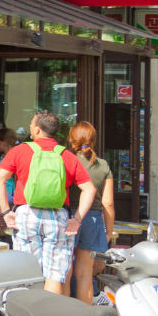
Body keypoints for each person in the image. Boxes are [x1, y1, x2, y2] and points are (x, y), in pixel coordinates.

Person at [0, 111, 95, 296]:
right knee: (54, 274)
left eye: (32, 124)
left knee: (27, 271)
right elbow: (89, 189)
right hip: (58, 216)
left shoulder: (19, 150)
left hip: (26, 214)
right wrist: (77, 220)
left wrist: (6, 211)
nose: (31, 127)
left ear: (37, 129)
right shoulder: (67, 155)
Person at [66, 120, 115, 305]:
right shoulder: (102, 165)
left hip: (67, 216)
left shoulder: (66, 160)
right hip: (92, 219)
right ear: (93, 140)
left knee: (64, 270)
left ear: (71, 140)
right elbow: (108, 203)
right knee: (85, 272)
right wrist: (108, 231)